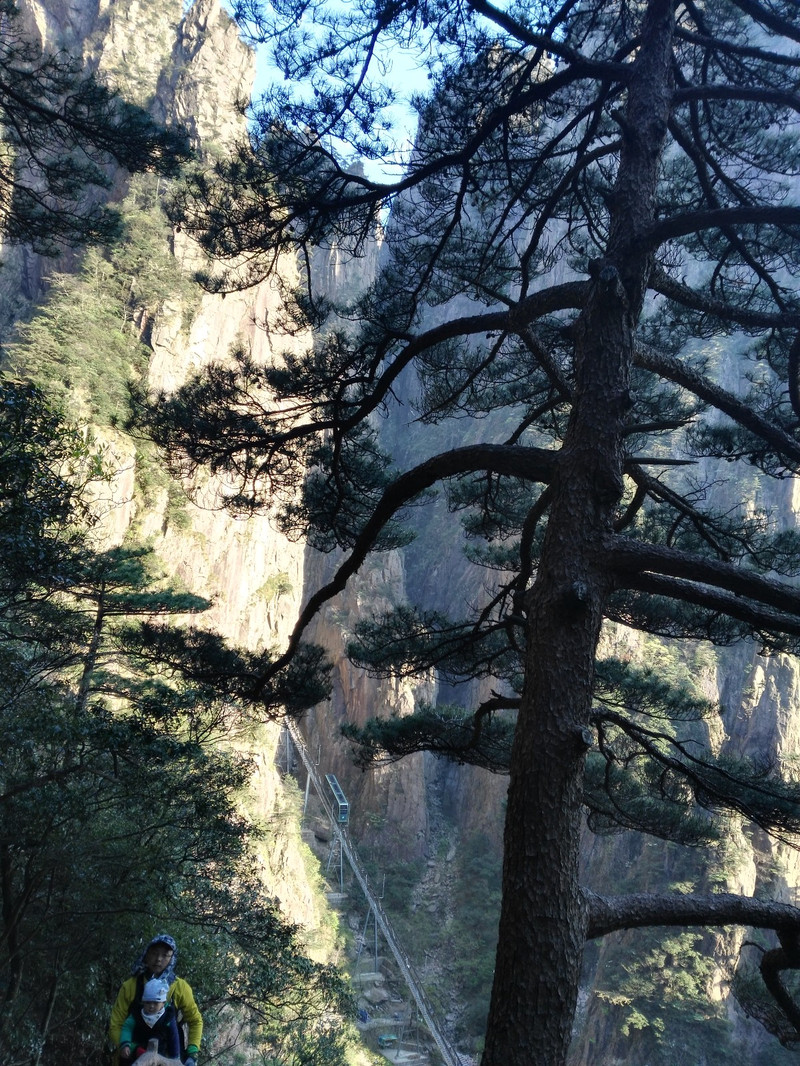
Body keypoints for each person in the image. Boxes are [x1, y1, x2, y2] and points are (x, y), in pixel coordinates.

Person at [109, 934, 202, 1066]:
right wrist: (129, 1047)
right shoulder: (130, 986)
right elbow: (116, 1023)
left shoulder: (179, 987)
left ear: (171, 958)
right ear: (146, 954)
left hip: (168, 1058)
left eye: (165, 955)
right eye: (154, 953)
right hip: (132, 1057)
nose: (158, 959)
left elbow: (195, 1020)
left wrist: (192, 1053)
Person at [119, 979, 181, 1062]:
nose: (151, 1006)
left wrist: (175, 1057)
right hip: (136, 1054)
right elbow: (127, 1027)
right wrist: (125, 1044)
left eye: (156, 1003)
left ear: (163, 1003)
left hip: (159, 1057)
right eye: (148, 1002)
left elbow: (174, 1037)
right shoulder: (136, 1013)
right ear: (143, 1002)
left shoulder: (168, 1017)